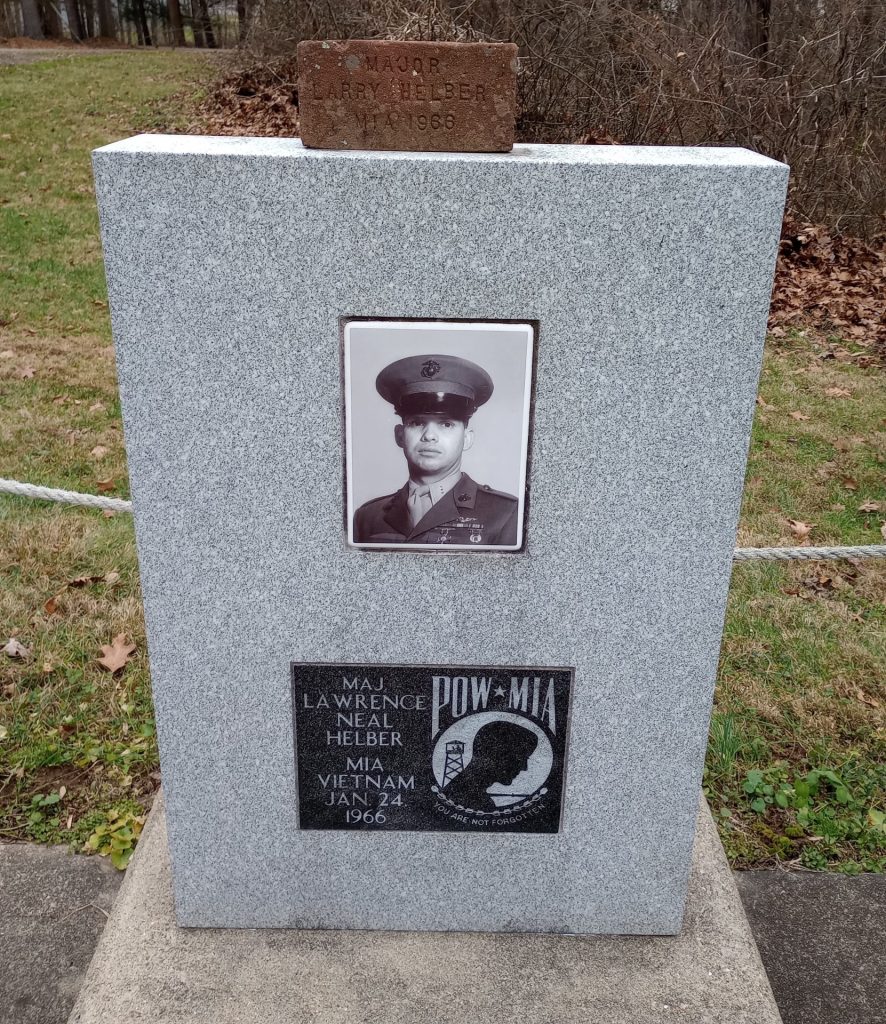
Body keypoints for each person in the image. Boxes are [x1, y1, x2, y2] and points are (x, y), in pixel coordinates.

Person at [352, 354, 519, 546]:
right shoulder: (367, 517)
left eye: (446, 424)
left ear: (467, 439)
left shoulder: (505, 514)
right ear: (399, 435)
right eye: (417, 423)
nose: (429, 436)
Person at [444, 721, 538, 812]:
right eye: (519, 759)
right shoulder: (477, 803)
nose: (524, 768)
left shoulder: (455, 794)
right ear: (496, 755)